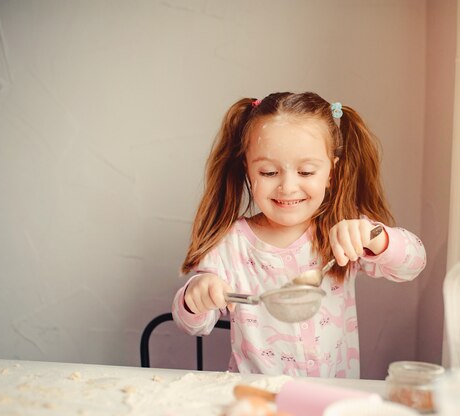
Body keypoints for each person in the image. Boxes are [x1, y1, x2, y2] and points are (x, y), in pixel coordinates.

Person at [172, 92, 426, 378]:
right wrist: (195, 297)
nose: (288, 187)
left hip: (332, 400)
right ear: (248, 170)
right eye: (269, 172)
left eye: (306, 172)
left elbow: (413, 263)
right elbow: (193, 324)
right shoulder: (230, 244)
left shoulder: (342, 231)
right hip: (261, 403)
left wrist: (374, 237)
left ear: (331, 171)